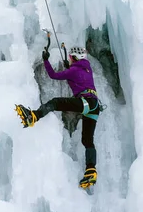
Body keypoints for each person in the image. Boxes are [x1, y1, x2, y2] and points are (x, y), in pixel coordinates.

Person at [15, 46, 101, 189]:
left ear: (73, 57)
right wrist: (69, 69)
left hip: (85, 102)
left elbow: (54, 75)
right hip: (94, 106)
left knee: (55, 102)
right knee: (87, 140)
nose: (69, 59)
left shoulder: (74, 70)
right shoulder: (87, 68)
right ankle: (91, 171)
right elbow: (79, 79)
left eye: (70, 57)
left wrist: (46, 60)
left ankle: (33, 116)